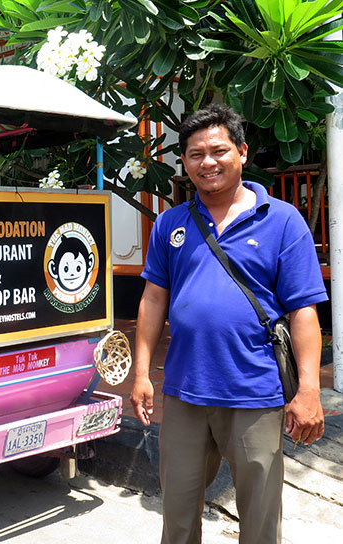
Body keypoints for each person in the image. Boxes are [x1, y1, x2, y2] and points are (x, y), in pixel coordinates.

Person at [130, 104, 327, 544]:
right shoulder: (170, 223)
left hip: (254, 394)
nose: (208, 162)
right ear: (184, 161)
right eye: (195, 154)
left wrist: (309, 389)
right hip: (185, 391)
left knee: (259, 522)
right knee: (177, 516)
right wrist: (142, 373)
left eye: (218, 151)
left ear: (241, 152)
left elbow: (303, 311)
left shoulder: (281, 221)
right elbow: (153, 298)